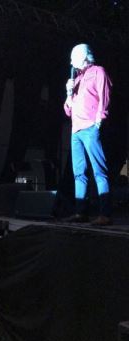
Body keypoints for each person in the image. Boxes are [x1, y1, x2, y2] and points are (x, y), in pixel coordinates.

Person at [64, 43, 113, 226]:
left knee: (99, 171)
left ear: (84, 57)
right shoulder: (76, 79)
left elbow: (104, 96)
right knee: (79, 173)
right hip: (75, 130)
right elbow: (68, 111)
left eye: (74, 57)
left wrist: (99, 121)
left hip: (90, 127)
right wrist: (69, 93)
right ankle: (80, 213)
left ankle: (105, 214)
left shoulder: (98, 71)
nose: (71, 61)